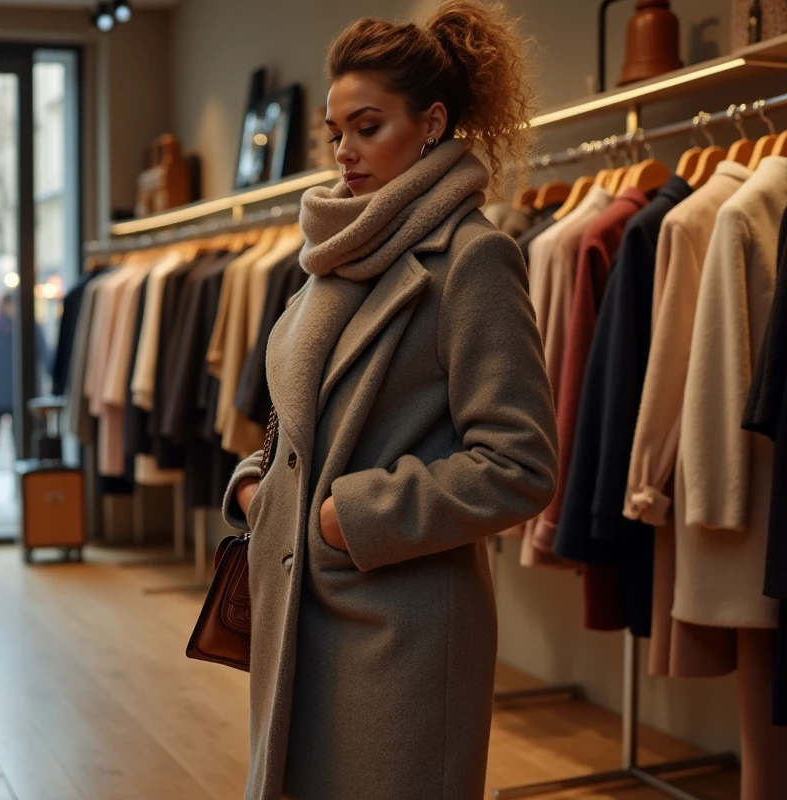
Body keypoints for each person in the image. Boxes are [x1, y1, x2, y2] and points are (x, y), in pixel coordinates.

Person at [223, 4, 558, 799]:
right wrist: (254, 481)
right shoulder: (335, 254)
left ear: (432, 122)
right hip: (295, 612)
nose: (345, 151)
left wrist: (355, 515)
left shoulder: (473, 260)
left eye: (367, 126)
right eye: (336, 132)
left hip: (401, 630)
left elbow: (519, 463)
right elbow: (303, 421)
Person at [0, 292, 49, 503]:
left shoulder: (31, 328)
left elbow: (45, 356)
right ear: (4, 306)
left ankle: (20, 487)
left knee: (20, 445)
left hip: (22, 398)